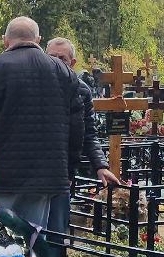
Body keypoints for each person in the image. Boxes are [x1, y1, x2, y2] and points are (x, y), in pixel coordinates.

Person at [0, 16, 81, 238]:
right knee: (35, 242)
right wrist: (69, 169)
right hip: (45, 175)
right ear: (38, 39)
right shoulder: (63, 72)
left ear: (5, 40)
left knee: (0, 242)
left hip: (0, 174)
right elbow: (76, 127)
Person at [45, 37, 124, 191]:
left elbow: (88, 132)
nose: (56, 62)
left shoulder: (81, 90)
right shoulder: (35, 86)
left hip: (64, 174)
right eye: (51, 57)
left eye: (62, 58)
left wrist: (100, 165)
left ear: (72, 63)